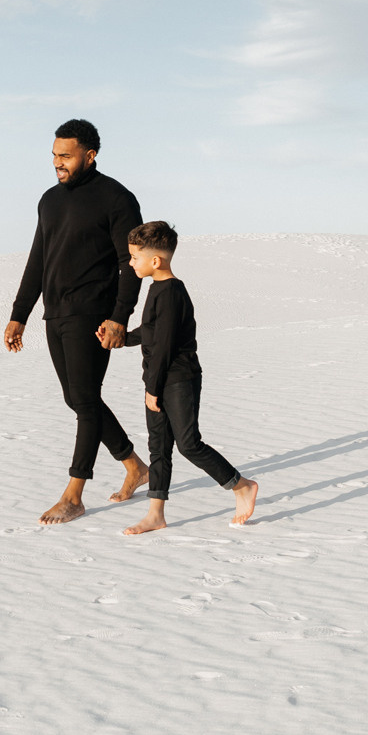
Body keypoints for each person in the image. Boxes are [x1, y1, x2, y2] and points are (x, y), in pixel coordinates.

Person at [3, 119, 148, 525]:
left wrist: (119, 317)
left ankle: (74, 494)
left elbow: (130, 263)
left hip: (93, 314)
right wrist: (19, 314)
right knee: (77, 399)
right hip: (56, 312)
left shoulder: (116, 198)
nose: (57, 163)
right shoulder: (49, 200)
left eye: (65, 156)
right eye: (54, 155)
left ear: (90, 155)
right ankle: (135, 466)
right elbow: (39, 258)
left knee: (85, 399)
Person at [118, 221, 258, 535]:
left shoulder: (171, 293)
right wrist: (122, 339)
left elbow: (165, 346)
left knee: (189, 444)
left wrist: (153, 388)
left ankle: (242, 486)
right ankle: (155, 514)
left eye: (135, 257)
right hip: (158, 380)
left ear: (156, 261)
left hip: (178, 380)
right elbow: (152, 332)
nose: (131, 263)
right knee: (158, 447)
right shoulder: (157, 288)